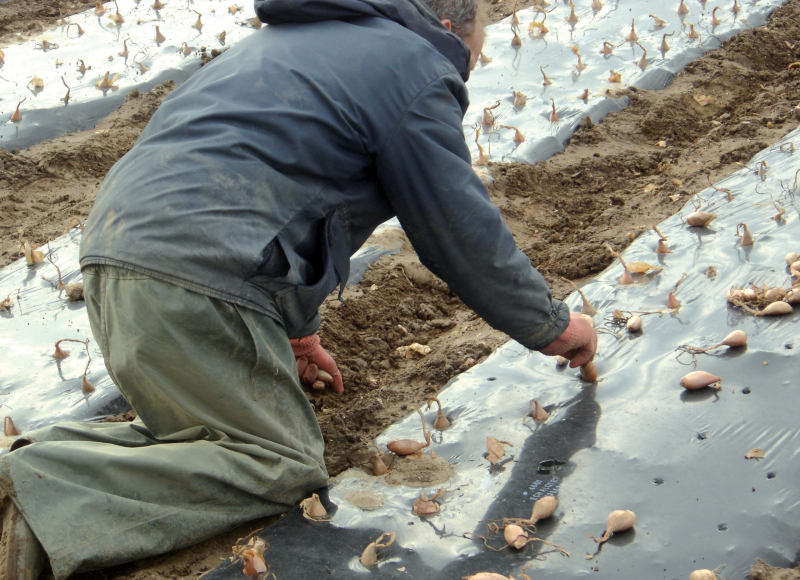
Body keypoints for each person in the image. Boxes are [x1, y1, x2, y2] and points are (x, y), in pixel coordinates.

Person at [0, 0, 597, 577]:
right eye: (471, 56)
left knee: (194, 437)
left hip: (115, 251)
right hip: (198, 270)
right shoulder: (416, 65)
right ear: (446, 25)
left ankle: (28, 467)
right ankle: (39, 487)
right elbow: (457, 228)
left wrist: (298, 330)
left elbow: (280, 186)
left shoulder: (290, 39)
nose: (463, 72)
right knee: (278, 463)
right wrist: (549, 324)